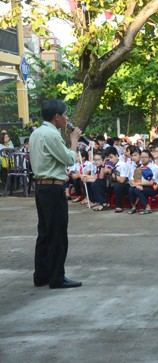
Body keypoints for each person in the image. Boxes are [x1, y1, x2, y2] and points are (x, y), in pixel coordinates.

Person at [29, 99, 82, 289]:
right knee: (57, 233)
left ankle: (42, 275)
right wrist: (74, 140)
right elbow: (69, 158)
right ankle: (57, 277)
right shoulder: (51, 134)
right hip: (52, 188)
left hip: (42, 187)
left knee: (45, 232)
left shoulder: (36, 133)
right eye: (65, 115)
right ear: (57, 116)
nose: (67, 119)